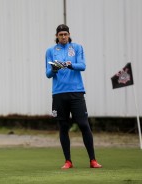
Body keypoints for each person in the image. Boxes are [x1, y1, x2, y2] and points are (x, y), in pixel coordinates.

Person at [45, 24, 102, 169]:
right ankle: (68, 161)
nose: (63, 37)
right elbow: (48, 74)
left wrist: (71, 65)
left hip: (76, 91)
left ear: (69, 34)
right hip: (58, 93)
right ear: (56, 36)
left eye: (65, 34)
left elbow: (82, 66)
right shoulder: (50, 51)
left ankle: (93, 160)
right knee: (63, 127)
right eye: (61, 34)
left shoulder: (77, 48)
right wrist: (54, 69)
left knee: (83, 124)